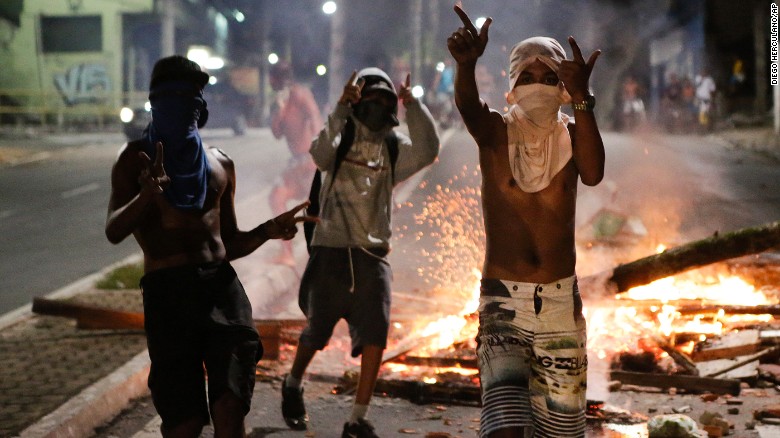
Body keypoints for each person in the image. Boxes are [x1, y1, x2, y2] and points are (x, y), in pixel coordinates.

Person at [105, 55, 315, 438]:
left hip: (222, 292)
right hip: (169, 296)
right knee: (183, 422)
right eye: (172, 101)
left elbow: (227, 243)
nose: (184, 109)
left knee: (230, 404)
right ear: (156, 104)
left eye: (192, 101)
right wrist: (147, 196)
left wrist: (269, 229)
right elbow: (114, 230)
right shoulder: (134, 161)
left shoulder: (220, 164)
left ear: (200, 108)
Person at [448, 5, 604, 438]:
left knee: (562, 430)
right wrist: (466, 65)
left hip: (560, 306)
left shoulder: (573, 134)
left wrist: (582, 100)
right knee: (505, 426)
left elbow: (592, 173)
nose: (538, 86)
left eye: (550, 77)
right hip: (502, 305)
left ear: (564, 86)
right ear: (512, 84)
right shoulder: (496, 132)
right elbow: (468, 106)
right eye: (528, 77)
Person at [280, 67, 440, 437]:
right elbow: (318, 153)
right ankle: (293, 382)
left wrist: (413, 104)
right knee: (316, 333)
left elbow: (430, 149)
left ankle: (357, 418)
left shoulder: (394, 147)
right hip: (332, 251)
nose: (378, 105)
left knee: (375, 335)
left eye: (386, 100)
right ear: (357, 101)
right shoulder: (341, 139)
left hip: (372, 255)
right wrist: (339, 110)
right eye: (371, 98)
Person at [269, 61, 324, 266]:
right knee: (277, 198)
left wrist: (317, 154)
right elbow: (276, 133)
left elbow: (315, 118)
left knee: (318, 211)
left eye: (272, 79)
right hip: (297, 163)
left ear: (279, 79)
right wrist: (280, 112)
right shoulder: (281, 102)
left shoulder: (300, 94)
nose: (270, 82)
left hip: (310, 161)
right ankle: (287, 253)